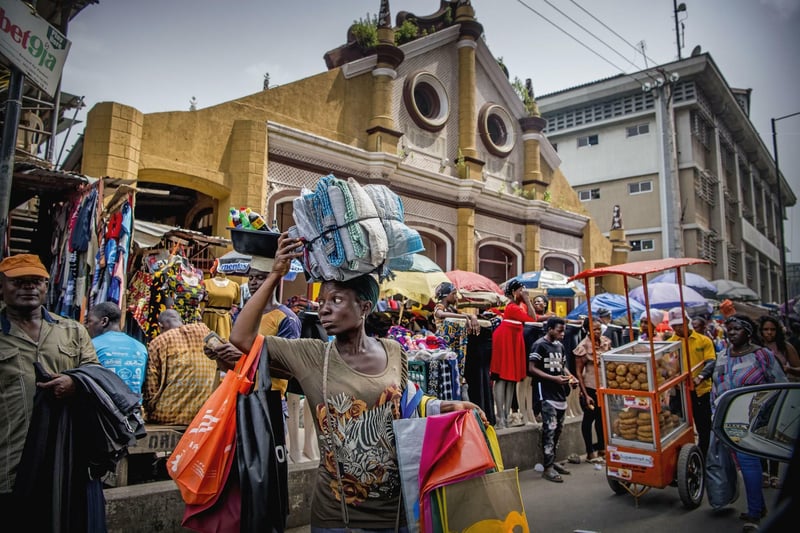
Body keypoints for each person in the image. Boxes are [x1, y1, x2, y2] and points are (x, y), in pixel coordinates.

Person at [228, 234, 486, 531]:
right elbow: (241, 337)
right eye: (321, 301)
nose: (323, 308)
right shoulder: (311, 355)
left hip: (398, 514)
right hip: (336, 518)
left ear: (364, 307)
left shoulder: (394, 351)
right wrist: (275, 274)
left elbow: (406, 406)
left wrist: (447, 406)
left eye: (336, 300)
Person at [0, 254, 99, 513]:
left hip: (62, 462)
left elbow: (96, 377)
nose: (29, 287)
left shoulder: (72, 331)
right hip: (10, 464)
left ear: (46, 286)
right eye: (18, 282)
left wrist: (75, 382)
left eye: (36, 281)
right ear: (2, 287)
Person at [711, 314, 786, 531]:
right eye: (729, 328)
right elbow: (716, 387)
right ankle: (759, 507)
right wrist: (715, 414)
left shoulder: (762, 355)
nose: (731, 332)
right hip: (728, 419)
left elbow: (779, 383)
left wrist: (769, 414)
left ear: (749, 332)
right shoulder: (722, 356)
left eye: (737, 328)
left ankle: (754, 514)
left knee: (749, 462)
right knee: (743, 465)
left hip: (753, 419)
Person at [143, 309, 219, 425]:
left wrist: (148, 409)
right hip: (204, 414)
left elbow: (151, 386)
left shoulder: (158, 342)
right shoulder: (205, 332)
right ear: (180, 321)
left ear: (160, 326)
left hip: (169, 415)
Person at [528, 316, 578, 483]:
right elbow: (532, 368)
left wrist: (571, 378)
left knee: (557, 430)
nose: (562, 334)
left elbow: (562, 366)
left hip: (559, 393)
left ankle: (552, 461)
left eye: (563, 331)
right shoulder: (539, 345)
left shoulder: (560, 346)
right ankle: (548, 467)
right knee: (549, 429)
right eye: (559, 331)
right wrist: (553, 378)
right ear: (549, 329)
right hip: (545, 393)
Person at [665, 307, 716, 457]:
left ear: (687, 321)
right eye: (674, 325)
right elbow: (665, 367)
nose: (677, 328)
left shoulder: (704, 341)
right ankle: (681, 457)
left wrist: (700, 377)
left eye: (680, 324)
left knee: (704, 427)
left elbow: (711, 362)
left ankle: (704, 456)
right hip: (678, 393)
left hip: (700, 392)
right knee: (677, 426)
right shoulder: (669, 344)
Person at [757, 315, 798, 490]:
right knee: (759, 433)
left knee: (774, 433)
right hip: (760, 396)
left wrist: (787, 369)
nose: (769, 333)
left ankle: (774, 473)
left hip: (781, 396)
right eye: (766, 329)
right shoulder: (756, 348)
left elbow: (798, 368)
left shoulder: (785, 347)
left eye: (772, 330)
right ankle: (764, 473)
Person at [490, 278, 536, 428]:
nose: (524, 292)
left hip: (513, 339)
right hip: (505, 339)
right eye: (521, 290)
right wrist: (527, 300)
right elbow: (532, 319)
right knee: (501, 378)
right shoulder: (513, 307)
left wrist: (526, 300)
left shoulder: (517, 306)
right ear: (515, 292)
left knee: (511, 379)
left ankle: (506, 415)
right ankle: (500, 417)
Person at [86, 301, 148, 396]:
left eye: (89, 321)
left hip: (102, 404)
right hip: (134, 404)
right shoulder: (140, 347)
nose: (87, 326)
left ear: (104, 321)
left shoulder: (92, 346)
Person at [574, 317, 611, 463]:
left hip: (604, 386)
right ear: (588, 330)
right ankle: (590, 452)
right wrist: (584, 394)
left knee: (601, 419)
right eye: (594, 329)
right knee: (589, 419)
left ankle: (602, 448)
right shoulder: (583, 346)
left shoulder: (606, 342)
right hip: (590, 388)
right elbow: (578, 372)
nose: (597, 331)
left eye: (599, 329)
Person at [202, 264, 240, 340]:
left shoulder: (234, 285)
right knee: (207, 342)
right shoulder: (205, 283)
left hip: (225, 319)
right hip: (209, 318)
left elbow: (236, 304)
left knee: (224, 341)